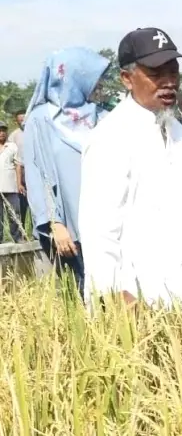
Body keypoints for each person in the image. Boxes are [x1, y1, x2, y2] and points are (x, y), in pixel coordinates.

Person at [79, 27, 182, 312]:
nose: (169, 83)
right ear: (127, 78)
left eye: (173, 73)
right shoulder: (110, 137)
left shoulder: (178, 133)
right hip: (134, 299)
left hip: (180, 293)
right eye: (156, 74)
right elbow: (99, 229)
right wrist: (114, 296)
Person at [20, 48, 110, 292]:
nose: (99, 83)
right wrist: (54, 223)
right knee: (91, 296)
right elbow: (37, 177)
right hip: (74, 229)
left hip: (113, 225)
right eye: (93, 77)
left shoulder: (104, 117)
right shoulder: (41, 120)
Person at [0, 121, 24, 243]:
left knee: (14, 213)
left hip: (10, 186)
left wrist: (19, 184)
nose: (1, 133)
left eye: (3, 130)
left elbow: (18, 166)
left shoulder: (12, 146)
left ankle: (17, 237)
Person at [8, 110, 28, 228]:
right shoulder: (13, 136)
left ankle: (38, 234)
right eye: (20, 120)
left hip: (34, 173)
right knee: (21, 204)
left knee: (35, 203)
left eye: (24, 120)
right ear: (17, 122)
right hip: (19, 172)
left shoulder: (35, 131)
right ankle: (22, 231)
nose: (22, 122)